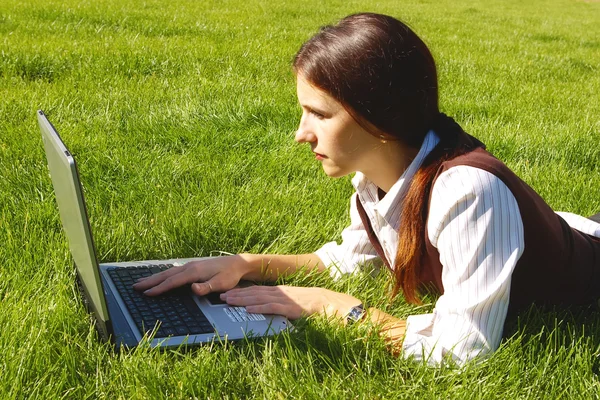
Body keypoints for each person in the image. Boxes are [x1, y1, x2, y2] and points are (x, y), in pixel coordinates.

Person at [134, 13, 600, 364]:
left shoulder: (467, 193)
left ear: (377, 118)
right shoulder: (377, 177)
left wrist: (344, 311)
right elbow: (347, 262)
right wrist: (246, 264)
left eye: (319, 113)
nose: (301, 133)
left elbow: (464, 351)